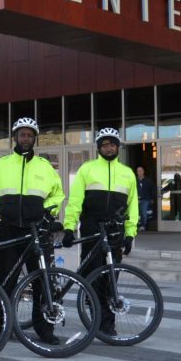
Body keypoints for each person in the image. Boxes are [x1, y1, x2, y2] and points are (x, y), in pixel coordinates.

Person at [0, 117, 65, 344]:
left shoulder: (45, 166)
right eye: (22, 134)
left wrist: (47, 212)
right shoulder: (0, 165)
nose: (26, 138)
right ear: (15, 137)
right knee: (7, 281)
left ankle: (45, 330)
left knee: (42, 281)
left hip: (38, 230)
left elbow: (58, 194)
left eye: (30, 135)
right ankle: (3, 327)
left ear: (35, 139)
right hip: (9, 229)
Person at [62, 127, 137, 336]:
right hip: (92, 228)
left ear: (118, 147)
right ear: (98, 148)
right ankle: (97, 318)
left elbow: (133, 207)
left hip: (115, 230)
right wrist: (69, 227)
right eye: (104, 145)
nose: (108, 148)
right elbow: (75, 201)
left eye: (112, 144)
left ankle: (107, 323)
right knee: (93, 276)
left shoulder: (127, 173)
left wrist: (130, 233)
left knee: (112, 278)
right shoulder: (87, 169)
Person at [135, 166, 155, 231]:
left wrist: (152, 198)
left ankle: (143, 226)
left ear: (143, 172)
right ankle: (137, 225)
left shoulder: (148, 180)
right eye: (138, 171)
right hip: (135, 199)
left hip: (145, 199)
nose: (139, 172)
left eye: (141, 171)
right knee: (136, 213)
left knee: (143, 212)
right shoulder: (134, 180)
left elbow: (152, 189)